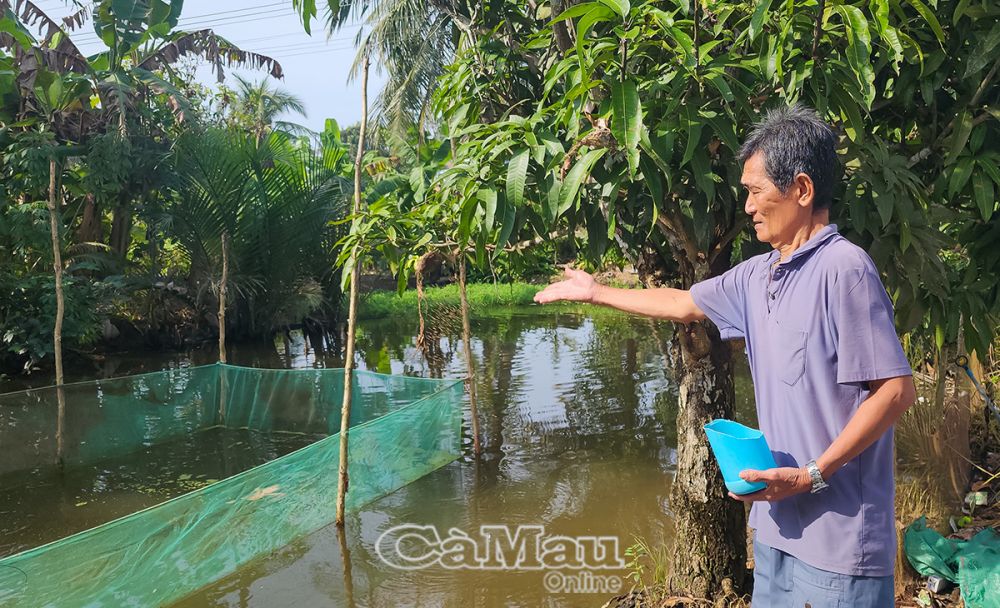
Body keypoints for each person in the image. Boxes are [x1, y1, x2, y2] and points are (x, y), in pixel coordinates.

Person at [533, 104, 915, 607]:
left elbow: (895, 390)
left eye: (757, 191)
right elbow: (683, 303)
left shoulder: (844, 269)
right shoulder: (759, 275)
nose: (750, 206)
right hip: (777, 529)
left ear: (801, 190)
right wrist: (597, 292)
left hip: (840, 543)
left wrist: (812, 474)